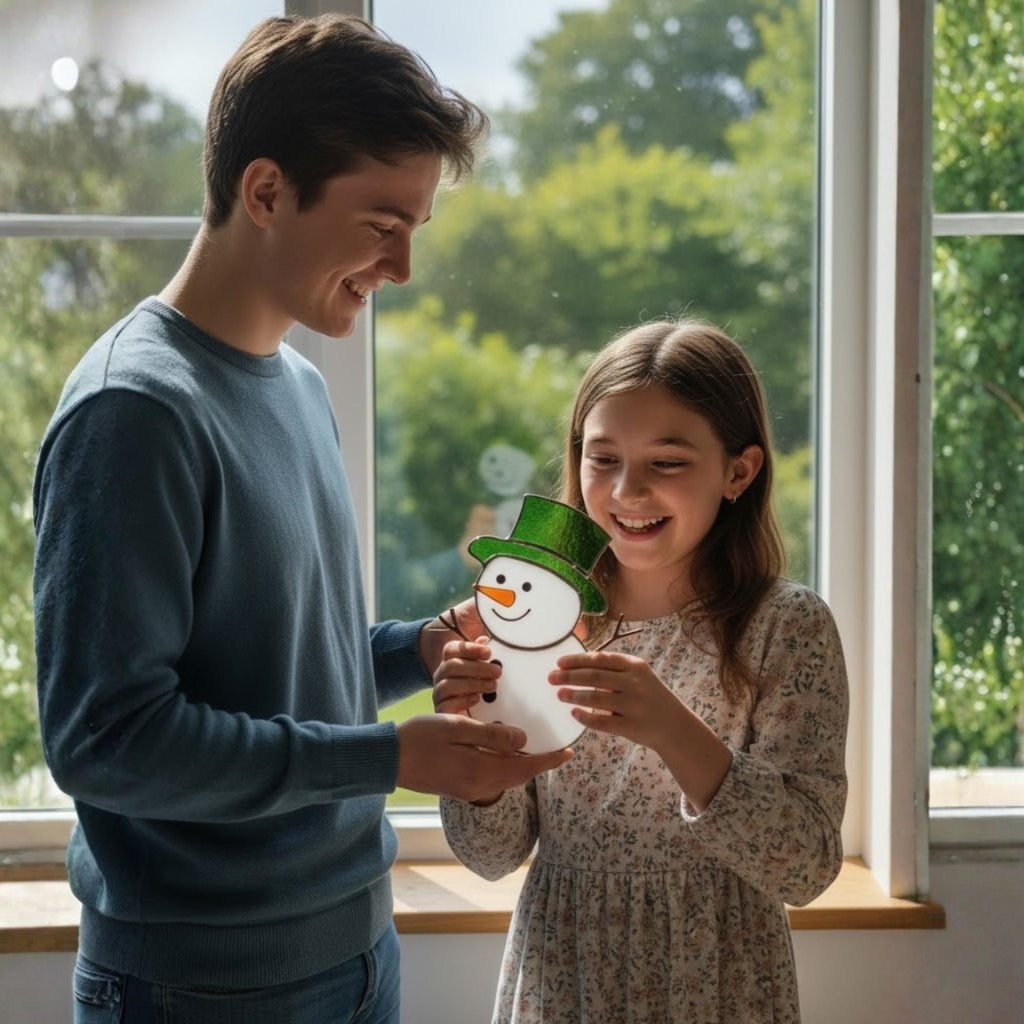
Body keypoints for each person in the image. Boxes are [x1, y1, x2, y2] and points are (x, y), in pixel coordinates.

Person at [32, 14, 570, 1024]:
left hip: (358, 947)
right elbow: (107, 738)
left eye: (415, 229)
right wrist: (388, 756)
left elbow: (279, 673)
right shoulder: (134, 413)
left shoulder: (295, 384)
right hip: (203, 985)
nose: (403, 268)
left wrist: (419, 646)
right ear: (266, 191)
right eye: (382, 225)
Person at [435, 319, 849, 1023]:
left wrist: (674, 731)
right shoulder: (538, 622)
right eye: (604, 459)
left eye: (667, 462)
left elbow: (805, 866)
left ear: (738, 472)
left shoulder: (787, 627)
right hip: (560, 983)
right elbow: (491, 856)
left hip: (719, 986)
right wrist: (469, 745)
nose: (628, 491)